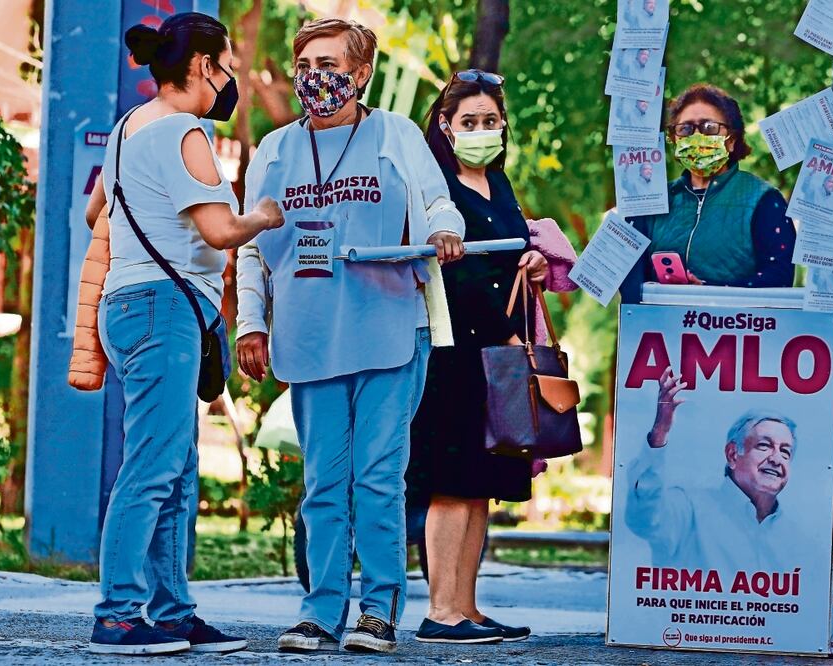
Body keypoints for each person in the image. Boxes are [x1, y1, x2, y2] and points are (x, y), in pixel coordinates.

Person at [234, 18, 465, 655]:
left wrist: (444, 232)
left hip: (389, 330)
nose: (315, 77)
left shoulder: (393, 133)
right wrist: (251, 323)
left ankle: (379, 610)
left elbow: (437, 201)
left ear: (360, 74)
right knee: (323, 484)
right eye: (305, 64)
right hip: (309, 337)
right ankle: (320, 611)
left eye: (329, 63)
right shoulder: (276, 149)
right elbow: (252, 247)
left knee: (379, 479)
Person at [83, 12, 283, 655]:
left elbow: (96, 210)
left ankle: (171, 610)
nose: (229, 80)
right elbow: (221, 232)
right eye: (227, 66)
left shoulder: (125, 130)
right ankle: (117, 611)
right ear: (202, 66)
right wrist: (264, 214)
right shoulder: (185, 131)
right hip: (162, 308)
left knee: (175, 466)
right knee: (152, 465)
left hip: (131, 306)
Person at [405, 69, 549, 645]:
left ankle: (468, 606)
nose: (482, 130)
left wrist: (534, 262)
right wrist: (503, 334)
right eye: (470, 122)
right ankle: (440, 609)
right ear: (446, 126)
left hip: (503, 354)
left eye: (491, 121)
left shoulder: (501, 183)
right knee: (451, 481)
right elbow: (454, 273)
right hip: (457, 351)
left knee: (484, 481)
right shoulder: (437, 190)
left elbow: (513, 253)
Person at [622, 84, 796, 297]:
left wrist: (709, 291)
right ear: (675, 140)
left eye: (709, 128)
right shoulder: (655, 201)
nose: (696, 137)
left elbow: (780, 280)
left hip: (735, 327)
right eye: (685, 129)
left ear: (731, 140)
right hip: (662, 327)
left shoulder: (764, 199)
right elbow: (628, 279)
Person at [625, 368, 805, 571]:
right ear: (732, 454)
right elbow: (644, 519)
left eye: (785, 452)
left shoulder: (799, 542)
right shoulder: (688, 509)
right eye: (764, 446)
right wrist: (659, 434)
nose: (776, 459)